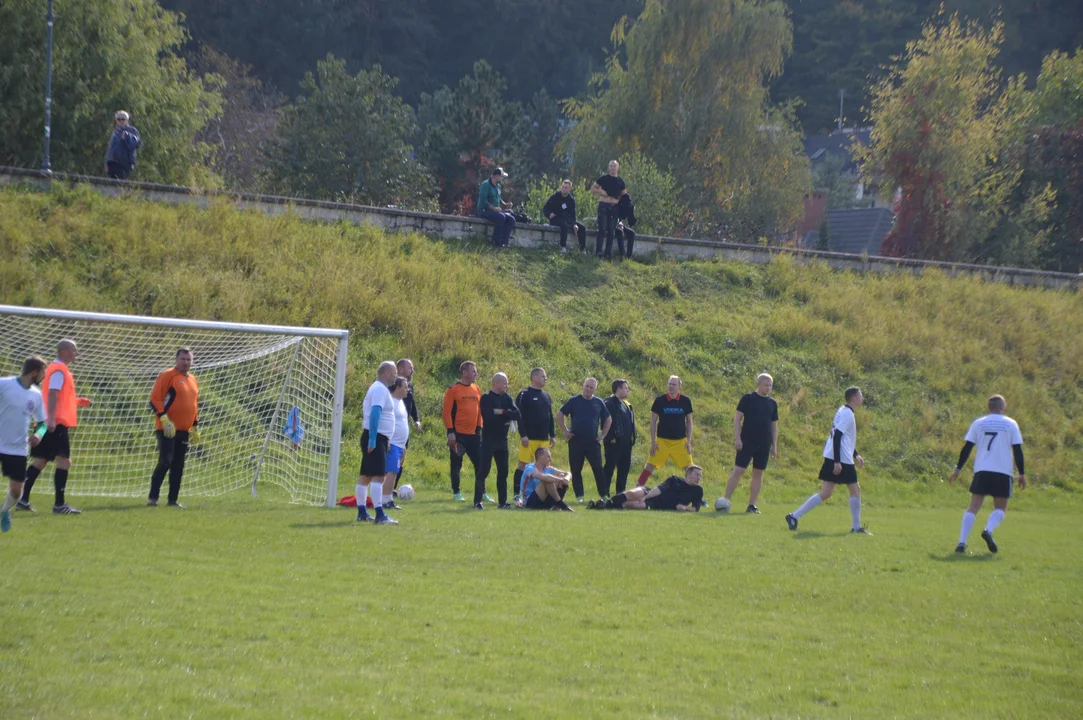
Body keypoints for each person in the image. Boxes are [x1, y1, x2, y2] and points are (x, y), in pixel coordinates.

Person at [20, 339, 91, 515]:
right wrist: (51, 418)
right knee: (64, 461)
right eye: (74, 351)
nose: (77, 354)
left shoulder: (56, 369)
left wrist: (77, 401)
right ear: (64, 351)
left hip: (47, 422)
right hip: (55, 423)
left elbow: (59, 396)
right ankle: (59, 505)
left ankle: (22, 499)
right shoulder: (59, 370)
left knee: (41, 460)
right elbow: (52, 393)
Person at [948, 395, 1026, 554]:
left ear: (989, 407)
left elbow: (967, 447)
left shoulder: (979, 423)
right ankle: (988, 530)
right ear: (1002, 407)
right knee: (1000, 509)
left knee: (973, 507)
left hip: (982, 469)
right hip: (1002, 471)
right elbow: (1018, 450)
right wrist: (1022, 473)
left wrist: (958, 469)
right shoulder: (1011, 424)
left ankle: (961, 543)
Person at [786, 387, 869, 534]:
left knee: (825, 493)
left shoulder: (842, 411)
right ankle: (856, 527)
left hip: (836, 456)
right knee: (855, 490)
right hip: (841, 459)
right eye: (860, 395)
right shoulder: (848, 414)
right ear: (854, 398)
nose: (862, 398)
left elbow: (841, 436)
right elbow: (837, 436)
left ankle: (794, 516)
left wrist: (855, 454)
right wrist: (838, 462)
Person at [147, 348, 201, 508]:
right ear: (176, 359)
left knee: (178, 464)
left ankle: (172, 500)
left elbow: (194, 405)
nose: (186, 362)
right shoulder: (168, 376)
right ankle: (153, 498)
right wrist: (163, 418)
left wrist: (195, 426)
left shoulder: (193, 379)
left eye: (188, 359)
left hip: (184, 430)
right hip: (167, 428)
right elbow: (154, 399)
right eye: (183, 359)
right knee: (165, 461)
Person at [0, 357, 47, 533]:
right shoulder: (4, 384)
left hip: (18, 448)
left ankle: (4, 511)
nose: (44, 376)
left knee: (16, 492)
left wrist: (38, 434)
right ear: (34, 372)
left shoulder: (36, 394)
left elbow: (42, 422)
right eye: (43, 372)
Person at [722, 373, 779, 514]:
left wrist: (774, 445)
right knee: (739, 470)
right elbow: (737, 419)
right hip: (747, 441)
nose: (768, 387)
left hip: (764, 443)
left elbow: (774, 425)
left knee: (758, 473)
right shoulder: (748, 399)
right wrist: (737, 438)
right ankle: (725, 500)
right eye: (766, 385)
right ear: (758, 384)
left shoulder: (772, 403)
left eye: (770, 385)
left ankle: (751, 505)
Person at [355, 361, 399, 524]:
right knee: (379, 477)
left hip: (377, 437)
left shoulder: (378, 388)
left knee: (365, 477)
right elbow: (375, 413)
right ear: (386, 373)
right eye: (394, 372)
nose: (396, 375)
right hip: (374, 437)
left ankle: (362, 513)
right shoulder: (380, 389)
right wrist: (374, 439)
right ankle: (380, 515)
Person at [557, 378, 612, 502]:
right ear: (583, 386)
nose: (588, 389)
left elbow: (608, 418)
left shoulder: (599, 402)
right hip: (576, 441)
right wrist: (565, 431)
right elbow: (560, 414)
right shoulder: (574, 401)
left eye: (591, 387)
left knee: (598, 469)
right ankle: (579, 497)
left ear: (595, 389)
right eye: (587, 386)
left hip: (593, 442)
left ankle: (604, 495)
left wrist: (603, 435)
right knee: (576, 470)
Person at [635, 376, 693, 488]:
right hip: (662, 441)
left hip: (680, 442)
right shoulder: (660, 400)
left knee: (690, 469)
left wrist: (689, 442)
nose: (671, 386)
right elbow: (653, 421)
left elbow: (689, 422)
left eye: (674, 384)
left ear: (679, 386)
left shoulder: (685, 401)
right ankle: (637, 489)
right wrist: (653, 442)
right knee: (649, 466)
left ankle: (696, 495)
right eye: (669, 384)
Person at [442, 361, 485, 507]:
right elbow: (446, 413)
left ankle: (482, 492)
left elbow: (479, 411)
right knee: (456, 465)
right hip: (458, 435)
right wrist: (450, 432)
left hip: (474, 435)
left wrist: (479, 428)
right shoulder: (453, 390)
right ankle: (456, 492)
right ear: (464, 373)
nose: (476, 374)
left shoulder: (477, 389)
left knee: (480, 464)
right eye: (474, 371)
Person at [514, 368, 556, 504]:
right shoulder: (524, 394)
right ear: (534, 377)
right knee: (522, 465)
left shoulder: (547, 396)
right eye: (543, 376)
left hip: (543, 438)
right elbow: (518, 417)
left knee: (545, 466)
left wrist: (553, 435)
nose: (545, 378)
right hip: (529, 438)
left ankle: (546, 494)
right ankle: (517, 495)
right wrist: (523, 435)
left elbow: (550, 416)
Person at [480, 372, 520, 509]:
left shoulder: (507, 397)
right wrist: (505, 414)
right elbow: (489, 416)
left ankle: (502, 502)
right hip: (488, 440)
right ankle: (477, 501)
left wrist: (502, 412)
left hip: (502, 440)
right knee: (483, 470)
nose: (507, 385)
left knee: (503, 472)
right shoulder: (486, 397)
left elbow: (517, 414)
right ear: (496, 383)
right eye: (505, 382)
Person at [592, 465, 705, 511]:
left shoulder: (698, 491)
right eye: (697, 474)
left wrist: (685, 508)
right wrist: (646, 496)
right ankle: (605, 503)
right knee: (632, 494)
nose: (699, 478)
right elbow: (659, 488)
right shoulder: (674, 479)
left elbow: (696, 508)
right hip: (651, 493)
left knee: (632, 504)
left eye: (700, 475)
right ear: (689, 474)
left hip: (657, 505)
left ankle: (604, 506)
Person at [381, 378, 411, 512]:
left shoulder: (401, 403)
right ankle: (385, 500)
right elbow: (386, 422)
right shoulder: (390, 402)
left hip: (399, 445)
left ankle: (387, 499)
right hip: (392, 443)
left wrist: (403, 445)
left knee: (394, 472)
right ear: (397, 388)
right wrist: (387, 440)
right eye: (405, 387)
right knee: (391, 472)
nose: (407, 390)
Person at [602, 379, 637, 497]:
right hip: (614, 442)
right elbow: (606, 421)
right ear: (618, 389)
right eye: (626, 388)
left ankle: (620, 494)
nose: (628, 391)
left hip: (626, 443)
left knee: (624, 470)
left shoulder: (626, 404)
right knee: (609, 469)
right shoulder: (609, 403)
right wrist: (611, 437)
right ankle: (604, 493)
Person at [393, 358, 421, 493]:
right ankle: (387, 489)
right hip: (393, 428)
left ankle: (392, 488)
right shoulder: (392, 385)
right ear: (401, 369)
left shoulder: (409, 385)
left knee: (401, 459)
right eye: (410, 367)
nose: (412, 370)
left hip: (404, 428)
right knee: (392, 458)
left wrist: (416, 419)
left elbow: (412, 403)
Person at [591, 160, 627, 259]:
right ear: (608, 168)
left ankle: (608, 253)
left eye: (614, 166)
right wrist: (601, 191)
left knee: (611, 231)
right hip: (604, 205)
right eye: (611, 166)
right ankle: (598, 252)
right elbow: (593, 189)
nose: (612, 168)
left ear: (618, 168)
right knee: (602, 229)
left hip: (614, 207)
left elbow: (625, 196)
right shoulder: (603, 178)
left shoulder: (621, 181)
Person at [521, 447, 573, 511]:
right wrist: (560, 479)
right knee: (547, 480)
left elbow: (568, 473)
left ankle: (556, 505)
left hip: (543, 500)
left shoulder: (547, 468)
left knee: (561, 475)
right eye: (548, 457)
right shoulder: (530, 468)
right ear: (541, 457)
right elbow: (543, 477)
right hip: (530, 502)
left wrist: (566, 478)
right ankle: (561, 505)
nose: (550, 459)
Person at [543, 179, 587, 254]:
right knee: (564, 225)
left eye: (566, 187)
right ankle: (563, 247)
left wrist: (574, 224)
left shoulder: (571, 200)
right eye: (563, 187)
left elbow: (573, 214)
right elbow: (545, 209)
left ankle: (582, 249)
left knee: (582, 228)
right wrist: (549, 214)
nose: (563, 189)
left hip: (567, 219)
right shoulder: (555, 196)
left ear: (569, 188)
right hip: (556, 219)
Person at [477, 167, 515, 247]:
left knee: (511, 219)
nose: (502, 178)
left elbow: (498, 198)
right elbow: (483, 200)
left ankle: (503, 242)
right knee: (501, 217)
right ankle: (495, 242)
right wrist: (493, 208)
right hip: (484, 211)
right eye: (501, 176)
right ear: (497, 176)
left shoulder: (498, 186)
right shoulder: (485, 184)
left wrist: (505, 204)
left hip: (495, 211)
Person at [104, 110, 141, 180]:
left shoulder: (132, 130)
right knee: (111, 182)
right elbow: (110, 148)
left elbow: (137, 143)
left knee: (120, 182)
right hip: (112, 162)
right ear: (116, 120)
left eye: (123, 119)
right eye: (118, 119)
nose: (121, 121)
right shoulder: (115, 132)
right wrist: (106, 162)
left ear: (127, 120)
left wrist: (127, 136)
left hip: (124, 162)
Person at [616, 193, 637, 258]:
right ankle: (622, 255)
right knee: (620, 232)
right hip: (610, 224)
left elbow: (621, 219)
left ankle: (628, 256)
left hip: (619, 224)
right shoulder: (615, 203)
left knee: (632, 233)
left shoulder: (626, 207)